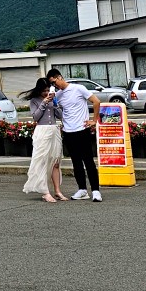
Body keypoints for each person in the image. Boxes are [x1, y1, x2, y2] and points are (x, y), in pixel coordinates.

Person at [51, 69, 103, 202]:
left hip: (82, 130)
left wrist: (94, 120)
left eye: (54, 81)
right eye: (52, 83)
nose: (54, 85)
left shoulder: (78, 88)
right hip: (68, 132)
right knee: (76, 162)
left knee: (88, 161)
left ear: (60, 77)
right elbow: (62, 111)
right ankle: (82, 190)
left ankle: (96, 191)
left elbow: (96, 102)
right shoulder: (58, 95)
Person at [21, 76, 65, 203]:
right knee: (43, 161)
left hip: (54, 130)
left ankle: (57, 190)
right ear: (39, 90)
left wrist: (55, 103)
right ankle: (45, 191)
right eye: (44, 90)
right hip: (42, 131)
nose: (47, 93)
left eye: (48, 90)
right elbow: (36, 117)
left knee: (56, 161)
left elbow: (60, 116)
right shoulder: (35, 100)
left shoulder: (53, 99)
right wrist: (44, 102)